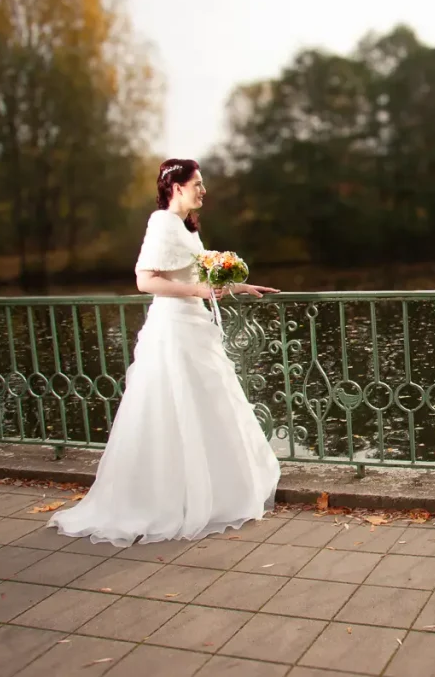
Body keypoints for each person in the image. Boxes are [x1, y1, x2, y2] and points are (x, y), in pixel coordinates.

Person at [48, 159, 281, 547]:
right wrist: (200, 293)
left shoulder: (186, 227)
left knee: (205, 408)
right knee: (170, 410)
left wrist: (241, 287)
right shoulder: (161, 223)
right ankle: (168, 499)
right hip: (173, 329)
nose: (203, 190)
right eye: (197, 183)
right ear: (176, 187)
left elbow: (199, 277)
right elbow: (145, 280)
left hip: (194, 326)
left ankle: (211, 492)